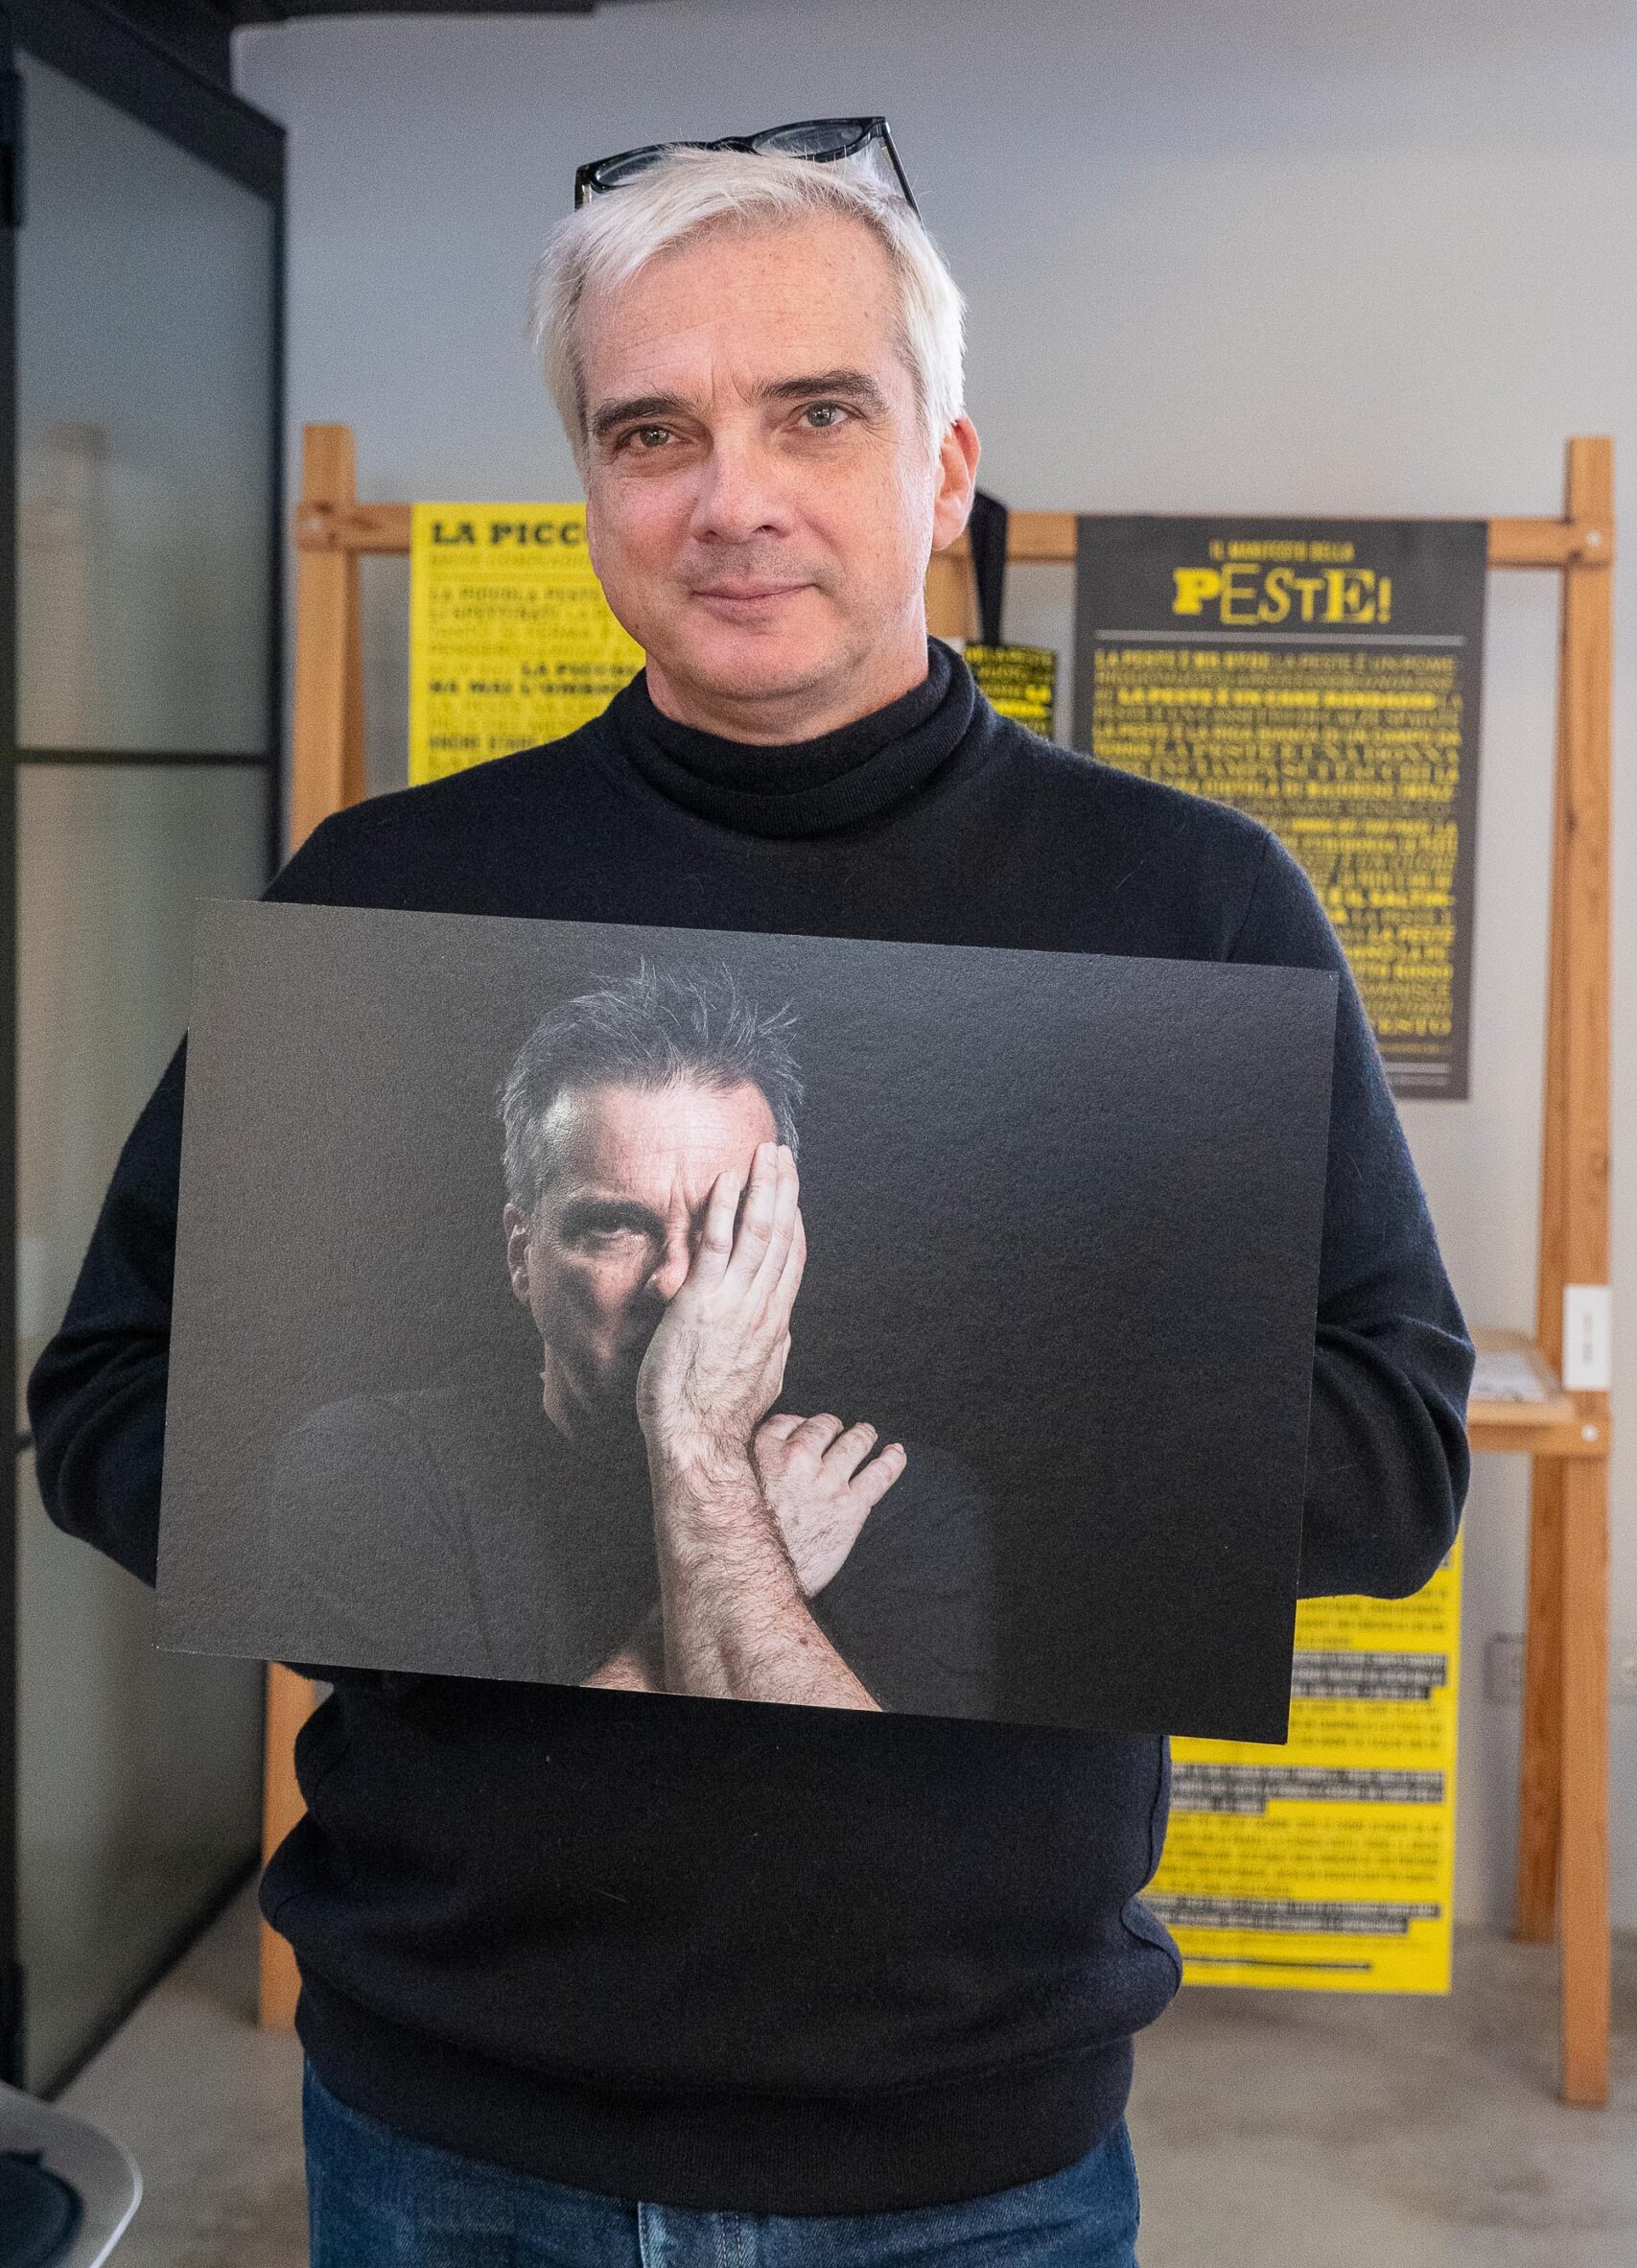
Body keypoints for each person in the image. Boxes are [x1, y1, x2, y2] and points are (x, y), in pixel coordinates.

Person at [30, 117, 1472, 2265]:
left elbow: (1391, 1457)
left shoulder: (1184, 903)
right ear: (590, 485)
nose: (732, 496)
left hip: (962, 2136)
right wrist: (478, 1542)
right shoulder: (392, 894)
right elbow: (110, 1398)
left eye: (816, 411)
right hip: (451, 2112)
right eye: (652, 430)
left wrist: (977, 1460)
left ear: (943, 464)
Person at [266, 961, 996, 1719]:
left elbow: (869, 1793)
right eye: (614, 1226)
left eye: (725, 1226)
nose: (673, 1281)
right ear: (520, 1255)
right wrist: (751, 1539)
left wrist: (701, 1457)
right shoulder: (377, 1470)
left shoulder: (889, 1499)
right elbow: (491, 1792)